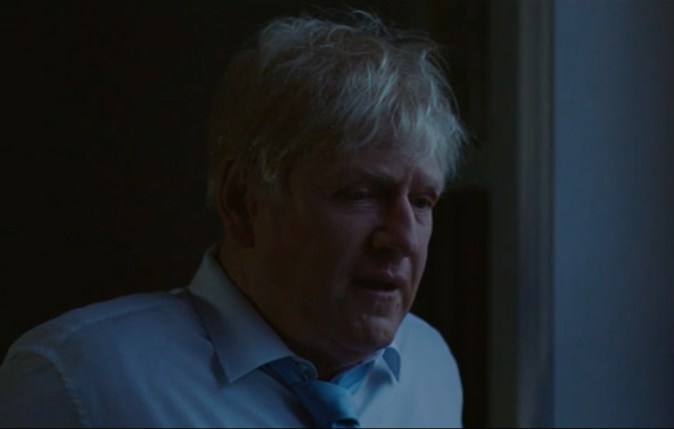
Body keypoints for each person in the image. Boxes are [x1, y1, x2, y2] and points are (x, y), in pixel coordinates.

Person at [0, 8, 466, 428]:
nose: (403, 238)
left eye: (422, 202)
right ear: (242, 202)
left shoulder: (428, 365)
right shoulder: (78, 380)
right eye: (359, 194)